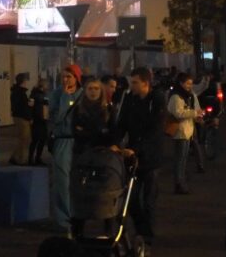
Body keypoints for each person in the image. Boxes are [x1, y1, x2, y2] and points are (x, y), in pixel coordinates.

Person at [114, 67, 165, 248]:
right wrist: (115, 142)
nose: (132, 86)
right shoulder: (130, 100)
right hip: (133, 156)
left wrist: (136, 148)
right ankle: (142, 230)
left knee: (149, 198)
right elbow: (122, 124)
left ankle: (147, 235)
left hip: (150, 156)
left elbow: (155, 129)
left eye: (135, 82)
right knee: (132, 198)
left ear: (145, 83)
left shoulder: (157, 100)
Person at [48, 63, 84, 233]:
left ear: (76, 78)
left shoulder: (83, 95)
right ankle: (65, 220)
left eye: (69, 76)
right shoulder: (57, 94)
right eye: (63, 76)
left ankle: (78, 216)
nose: (65, 79)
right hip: (63, 141)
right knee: (62, 182)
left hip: (80, 142)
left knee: (78, 181)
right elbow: (56, 118)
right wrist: (64, 97)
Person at [167, 72, 204, 195]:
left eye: (191, 83)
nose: (190, 86)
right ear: (181, 83)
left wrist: (197, 116)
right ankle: (179, 183)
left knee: (183, 159)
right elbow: (178, 113)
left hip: (187, 131)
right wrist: (194, 113)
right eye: (187, 83)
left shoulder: (189, 95)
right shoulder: (176, 97)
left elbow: (192, 110)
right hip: (180, 132)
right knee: (180, 159)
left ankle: (181, 181)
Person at [72, 77, 113, 158]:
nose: (93, 91)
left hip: (103, 153)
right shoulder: (78, 110)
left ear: (101, 91)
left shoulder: (109, 109)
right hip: (82, 152)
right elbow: (75, 131)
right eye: (90, 88)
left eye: (96, 88)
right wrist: (100, 131)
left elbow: (112, 131)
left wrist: (86, 130)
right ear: (85, 91)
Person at [9, 73, 32, 165]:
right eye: (25, 80)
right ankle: (21, 159)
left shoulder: (15, 91)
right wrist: (29, 116)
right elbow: (23, 107)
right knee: (25, 139)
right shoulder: (21, 93)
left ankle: (15, 157)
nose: (26, 82)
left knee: (21, 138)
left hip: (17, 116)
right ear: (23, 81)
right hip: (22, 118)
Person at [29, 78, 49, 166]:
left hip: (42, 119)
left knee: (41, 140)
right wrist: (31, 117)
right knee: (36, 140)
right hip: (38, 119)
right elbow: (30, 107)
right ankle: (32, 159)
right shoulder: (35, 94)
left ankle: (37, 158)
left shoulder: (43, 94)